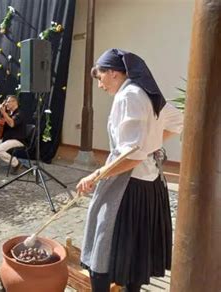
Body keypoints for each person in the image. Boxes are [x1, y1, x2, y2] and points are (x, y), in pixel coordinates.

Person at [77, 49, 183, 292]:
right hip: (151, 184)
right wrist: (149, 146)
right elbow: (177, 122)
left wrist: (95, 175)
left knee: (102, 245)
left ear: (114, 73)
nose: (100, 85)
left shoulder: (128, 96)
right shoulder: (146, 92)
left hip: (128, 186)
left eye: (100, 77)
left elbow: (131, 156)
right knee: (135, 250)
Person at [0, 95, 27, 174]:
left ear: (14, 102)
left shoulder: (19, 113)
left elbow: (12, 124)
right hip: (7, 139)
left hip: (18, 140)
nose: (6, 104)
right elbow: (6, 122)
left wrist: (3, 112)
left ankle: (16, 163)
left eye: (8, 102)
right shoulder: (10, 113)